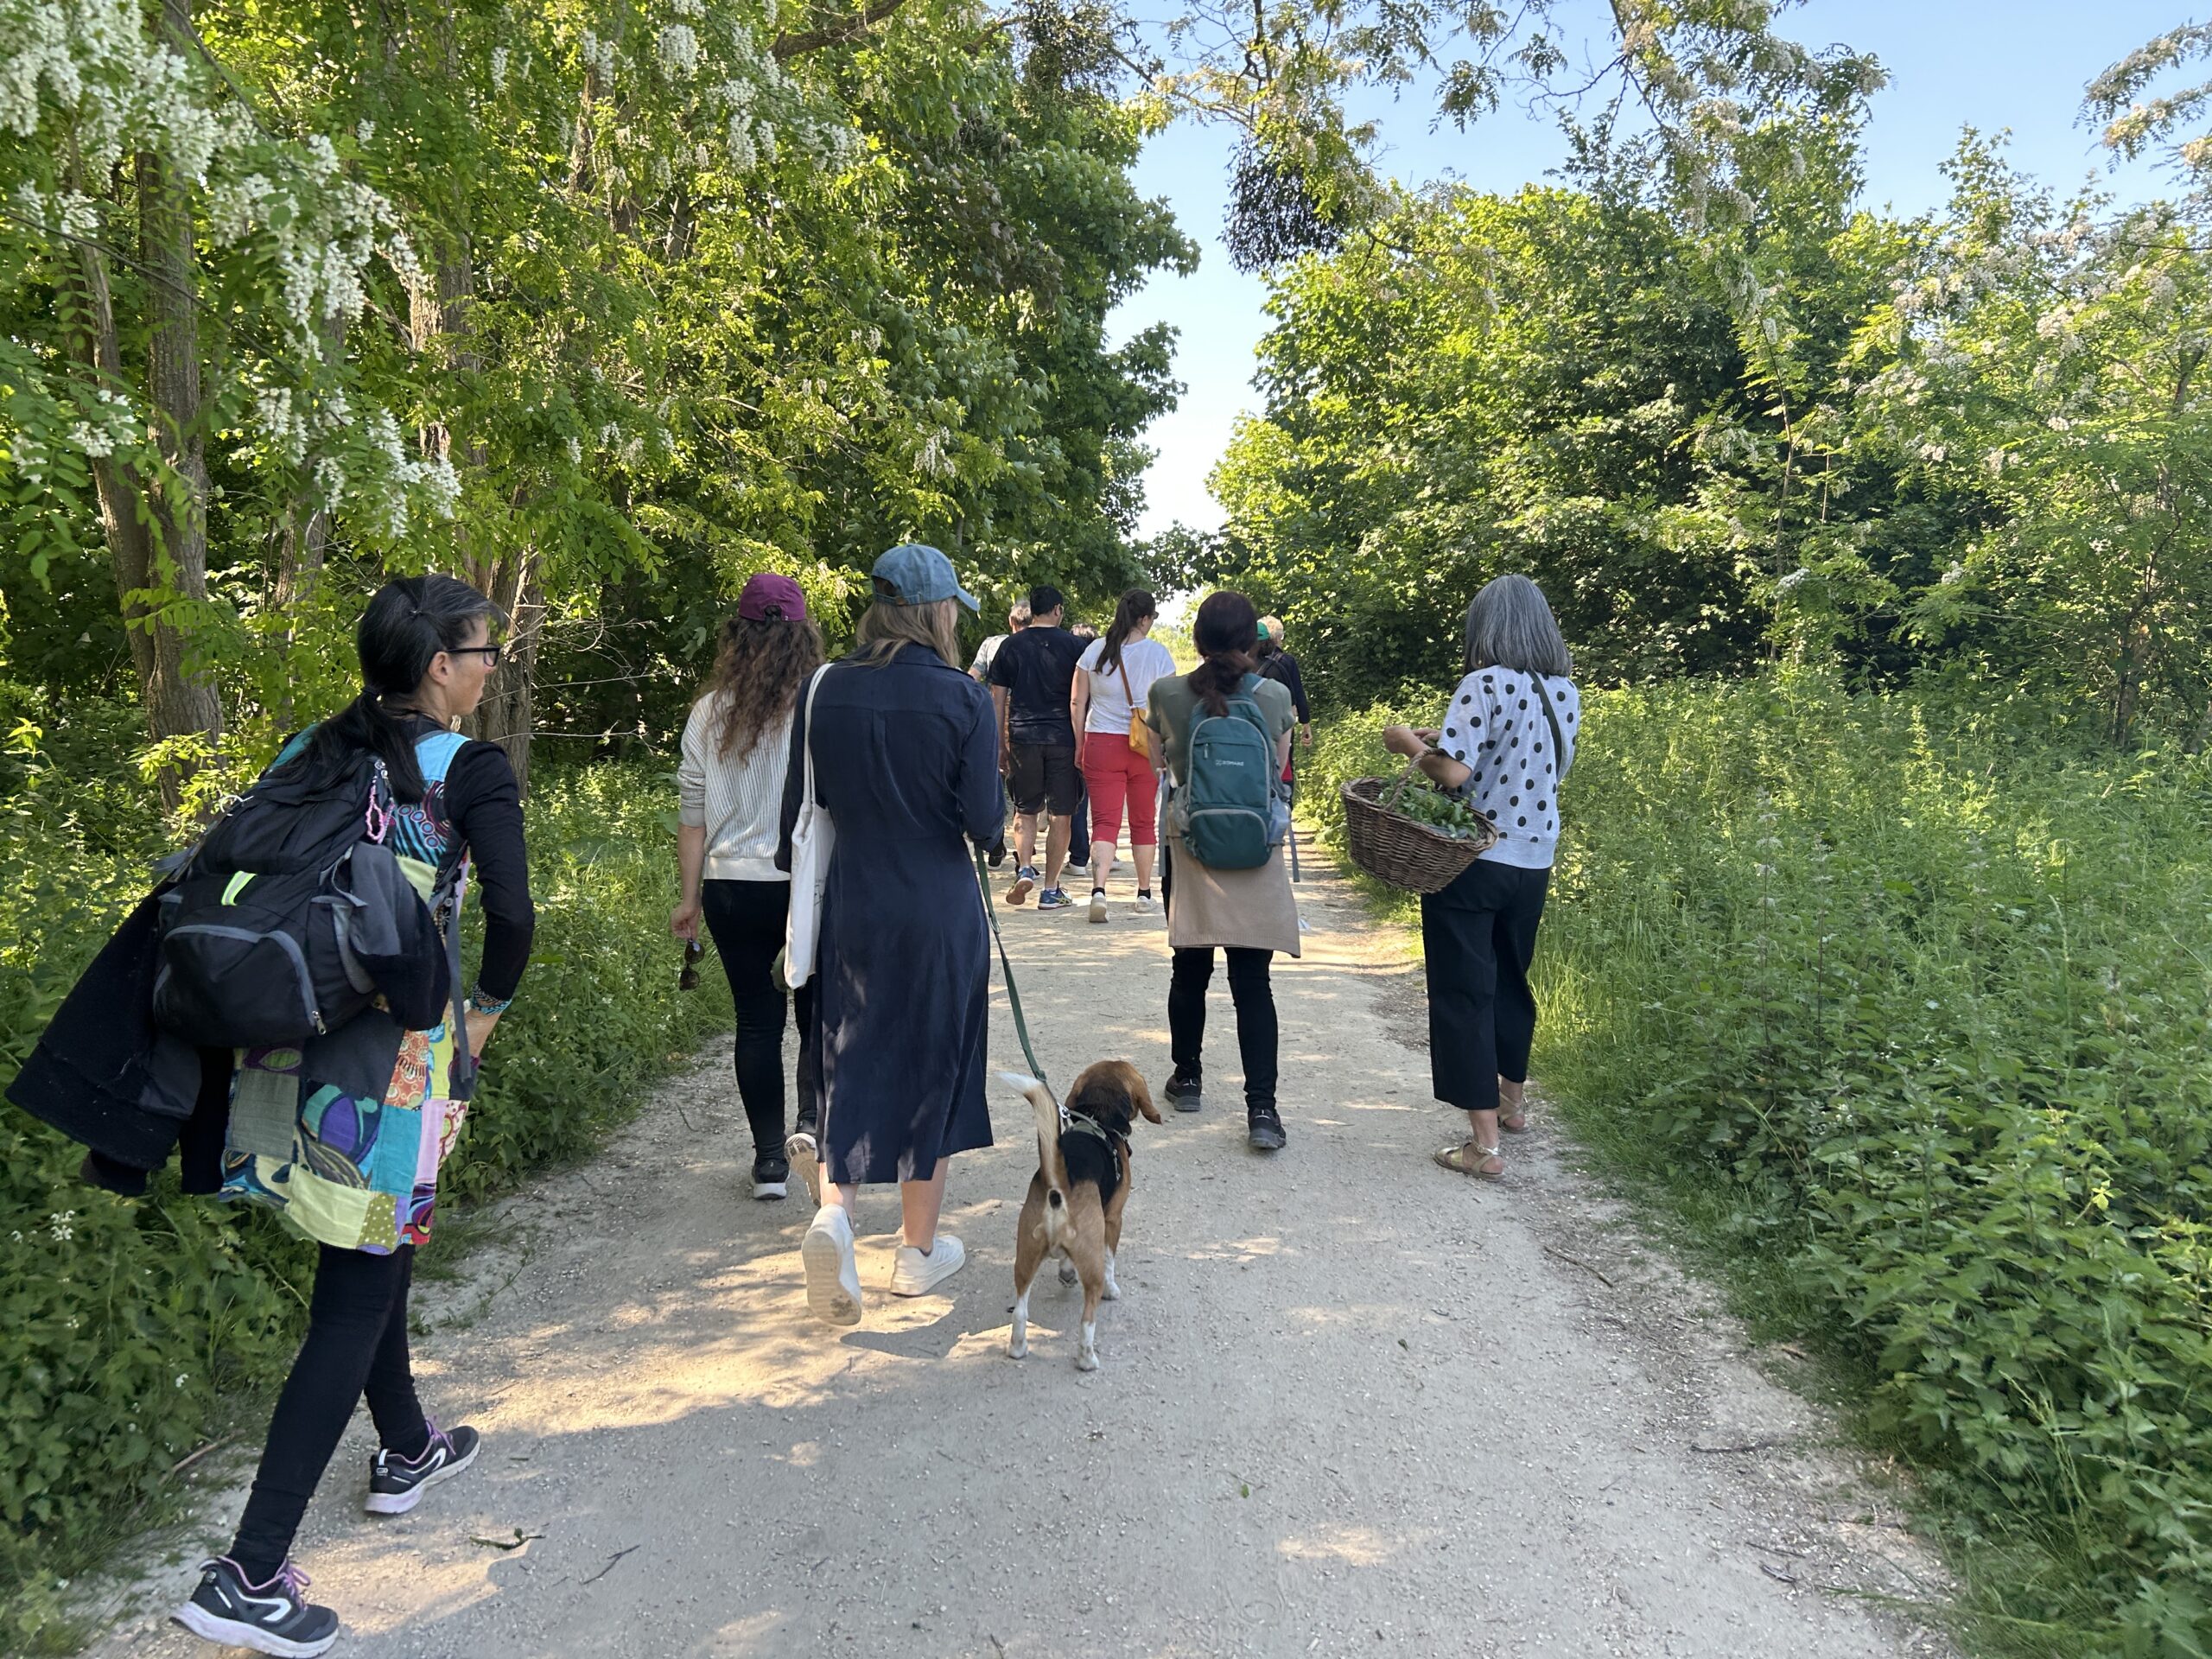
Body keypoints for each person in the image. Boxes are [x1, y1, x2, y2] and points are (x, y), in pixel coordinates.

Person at [175, 575, 536, 1656]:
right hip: (392, 1066)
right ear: (439, 665)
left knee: (375, 1252)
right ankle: (246, 1574)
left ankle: (406, 1445)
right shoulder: (468, 769)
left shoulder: (313, 746)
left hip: (283, 1044)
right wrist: (482, 1018)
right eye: (482, 653)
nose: (490, 670)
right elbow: (514, 918)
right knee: (356, 1289)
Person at [781, 543, 1001, 1324]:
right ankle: (916, 1252)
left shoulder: (823, 689)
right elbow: (985, 822)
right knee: (934, 1063)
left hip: (854, 904)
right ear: (937, 612)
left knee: (847, 1056)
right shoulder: (964, 698)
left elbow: (799, 811)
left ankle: (835, 1218)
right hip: (939, 908)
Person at [1382, 573, 1580, 1181]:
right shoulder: (1564, 691)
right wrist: (1445, 745)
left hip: (1473, 859)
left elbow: (1454, 774)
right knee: (1512, 981)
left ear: (1486, 628)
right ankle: (1512, 1104)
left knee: (1464, 991)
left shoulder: (1483, 682)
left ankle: (1484, 1146)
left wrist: (1407, 744)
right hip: (1534, 857)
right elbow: (1540, 766)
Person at [671, 573, 823, 1201]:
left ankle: (768, 1166)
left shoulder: (708, 713)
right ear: (803, 635)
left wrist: (689, 899)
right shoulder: (819, 703)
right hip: (804, 883)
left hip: (731, 885)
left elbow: (693, 817)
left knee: (756, 1024)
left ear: (737, 634)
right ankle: (812, 1129)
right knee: (816, 1018)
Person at [1146, 591, 1299, 1152]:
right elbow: (1277, 768)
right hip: (1253, 849)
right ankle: (1263, 1111)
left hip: (1192, 847)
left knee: (1189, 971)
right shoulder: (1275, 694)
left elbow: (1158, 763)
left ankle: (1187, 1079)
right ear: (1252, 641)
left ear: (1197, 640)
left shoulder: (1166, 694)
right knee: (1253, 983)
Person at [1070, 588, 1174, 923]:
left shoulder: (1094, 651)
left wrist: (1079, 743)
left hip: (1101, 742)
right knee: (1143, 822)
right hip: (1145, 746)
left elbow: (1077, 702)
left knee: (1104, 822)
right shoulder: (1159, 655)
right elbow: (1168, 708)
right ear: (1144, 618)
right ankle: (1143, 894)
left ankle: (1099, 891)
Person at [988, 582, 1086, 912]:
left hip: (1023, 736)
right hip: (1062, 738)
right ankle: (1050, 889)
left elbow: (998, 699)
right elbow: (1081, 699)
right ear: (1058, 610)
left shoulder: (1010, 646)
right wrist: (1082, 741)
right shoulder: (1075, 646)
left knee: (1024, 809)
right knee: (1061, 814)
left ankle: (1026, 868)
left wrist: (999, 743)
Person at [969, 598, 1031, 683]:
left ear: (1010, 621)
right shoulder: (1039, 649)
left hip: (992, 691)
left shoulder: (990, 643)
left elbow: (973, 677)